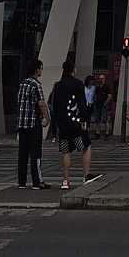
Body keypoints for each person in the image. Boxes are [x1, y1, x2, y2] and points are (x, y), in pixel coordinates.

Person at [50, 60, 102, 191]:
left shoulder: (58, 85)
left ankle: (65, 181)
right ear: (73, 70)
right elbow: (82, 104)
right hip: (76, 124)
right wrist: (85, 120)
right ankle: (86, 175)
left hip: (63, 124)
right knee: (86, 146)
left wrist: (57, 122)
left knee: (66, 151)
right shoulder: (78, 84)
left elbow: (54, 105)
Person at [17, 59, 50, 189]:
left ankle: (22, 182)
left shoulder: (23, 84)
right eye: (41, 68)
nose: (42, 71)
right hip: (33, 123)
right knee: (35, 154)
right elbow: (41, 103)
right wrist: (47, 118)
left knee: (23, 154)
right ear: (37, 70)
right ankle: (37, 182)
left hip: (22, 124)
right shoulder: (36, 85)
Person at [94, 73, 111, 139]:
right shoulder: (97, 87)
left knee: (105, 119)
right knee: (97, 120)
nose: (101, 79)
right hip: (98, 105)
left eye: (102, 78)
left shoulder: (107, 87)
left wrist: (105, 104)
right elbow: (95, 95)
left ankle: (106, 134)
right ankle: (97, 134)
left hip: (104, 105)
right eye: (100, 78)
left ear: (104, 79)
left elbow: (109, 96)